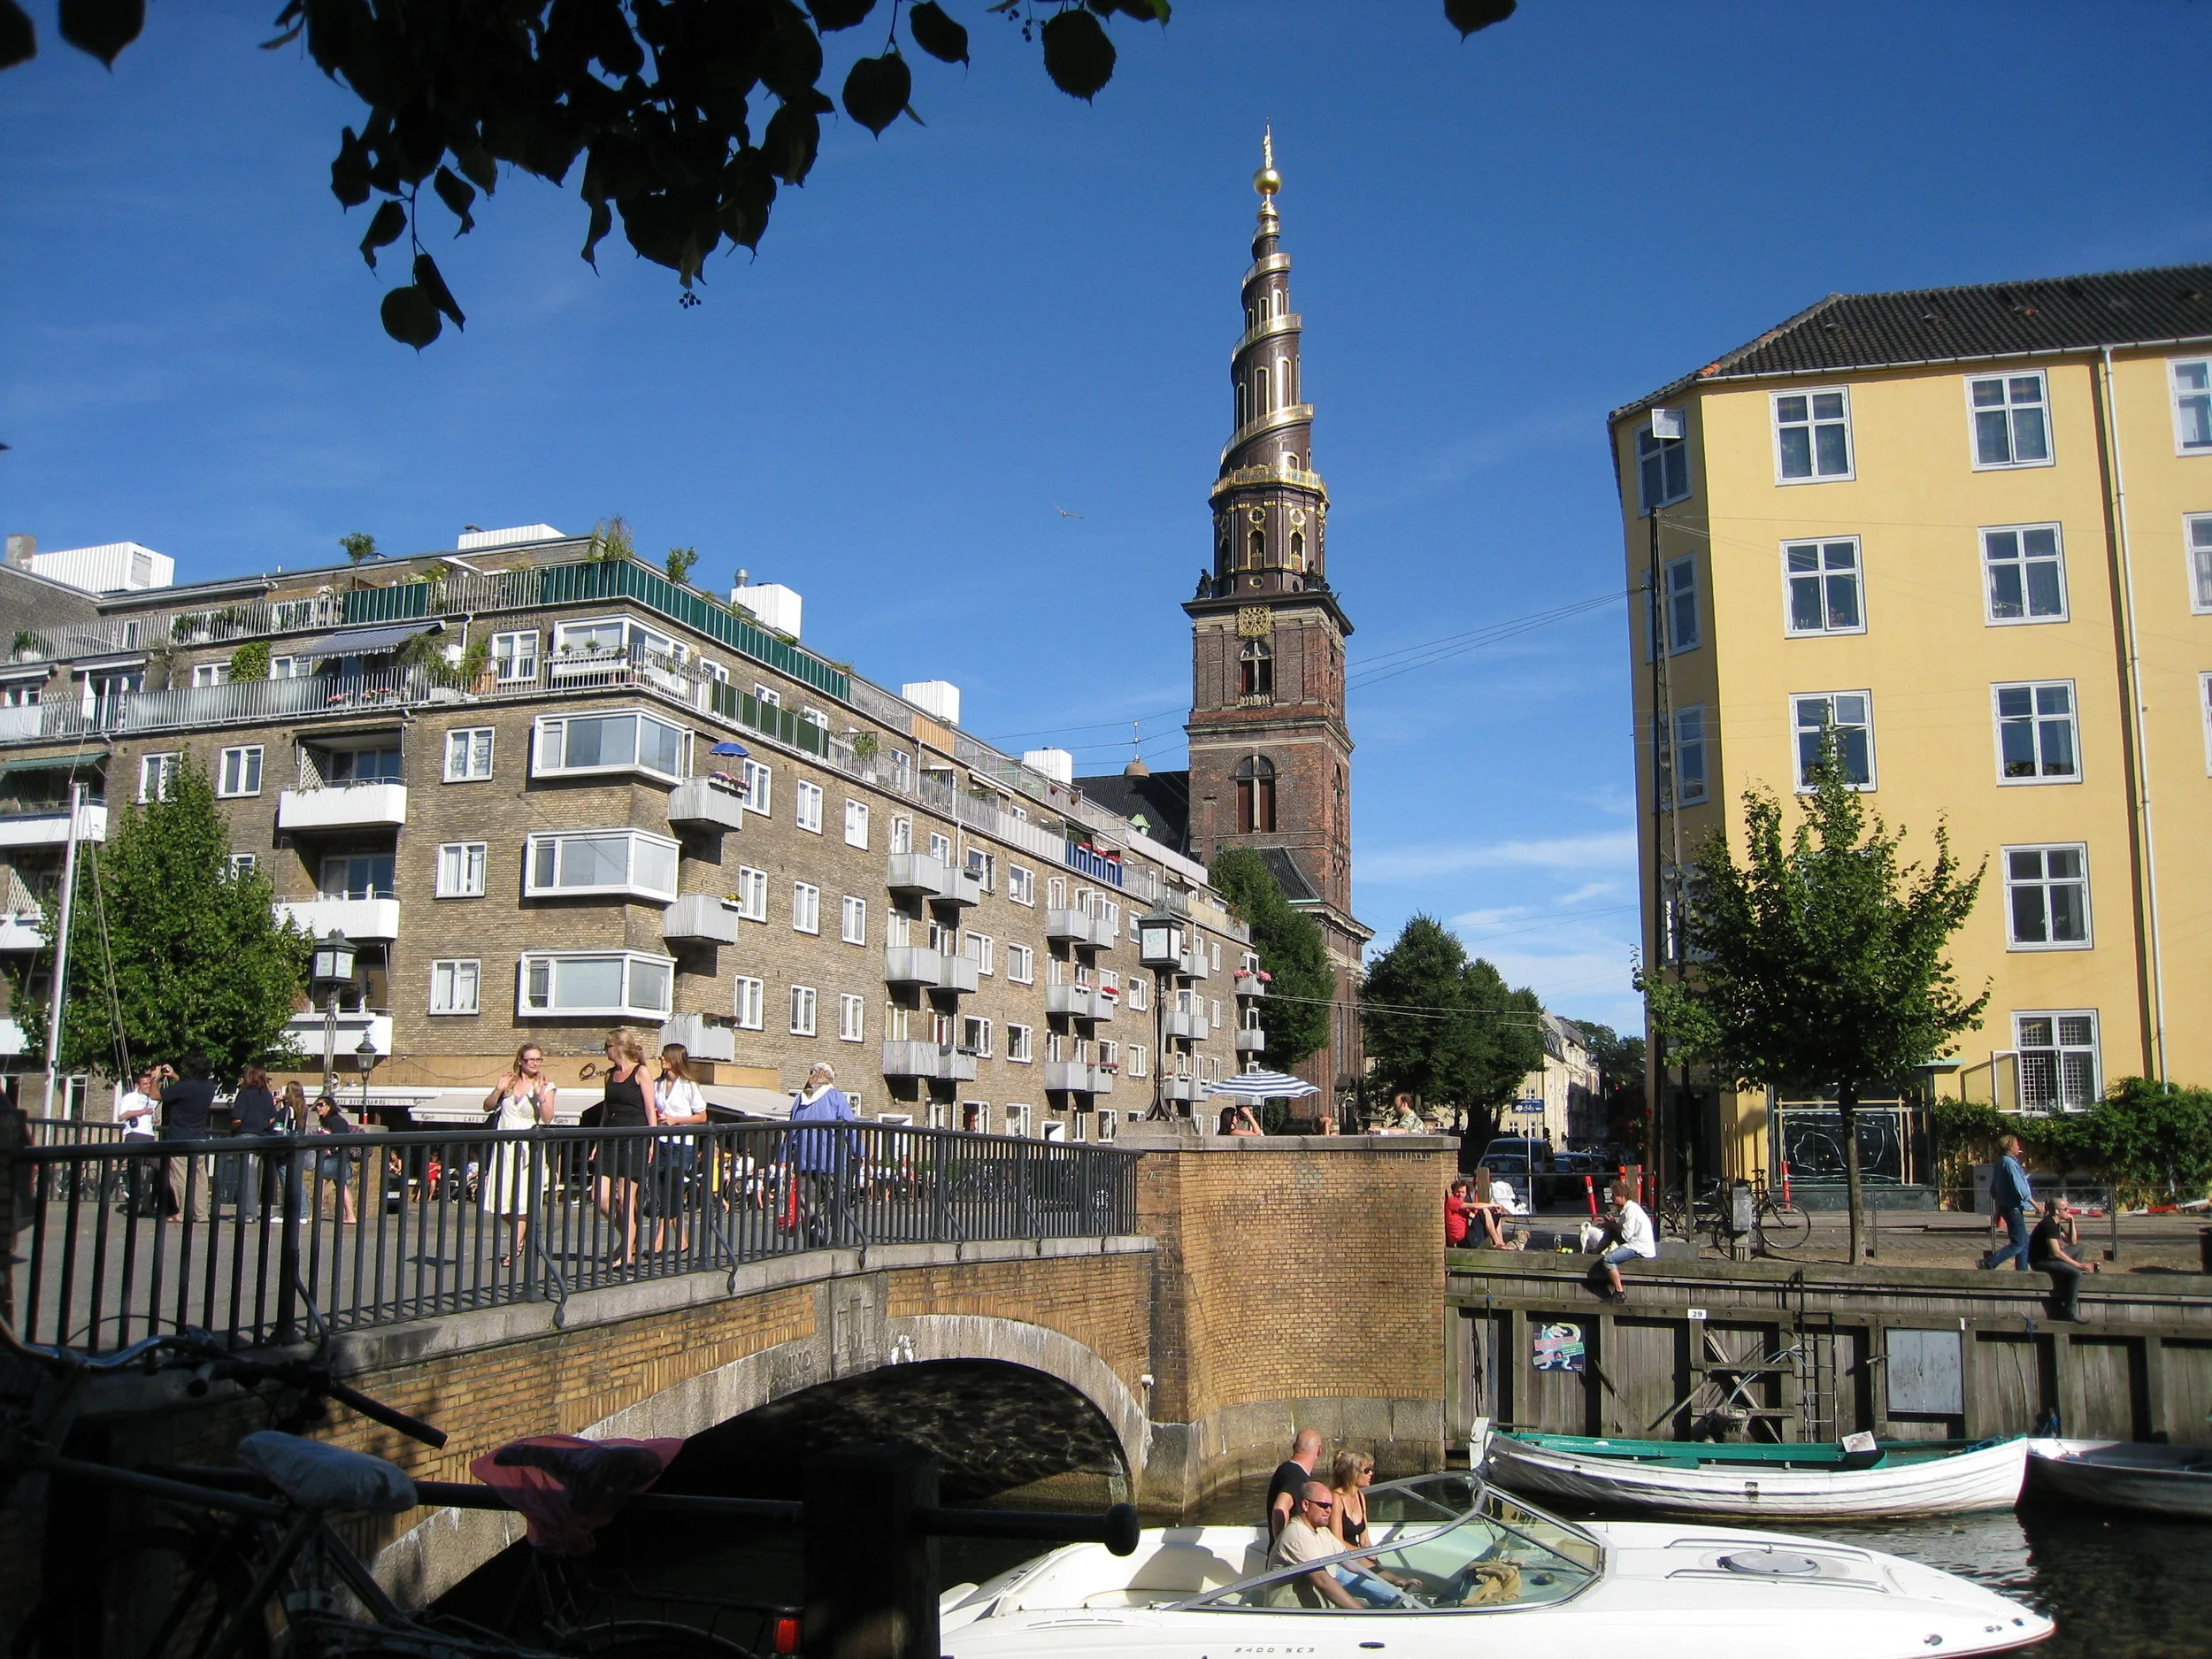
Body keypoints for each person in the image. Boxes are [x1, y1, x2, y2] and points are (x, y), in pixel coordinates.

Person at [481, 1044, 557, 1266]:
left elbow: (548, 1118)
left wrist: (541, 1098)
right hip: (504, 1147)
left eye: (539, 1059)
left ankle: (514, 1248)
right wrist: (498, 1090)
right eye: (531, 1059)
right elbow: (487, 1107)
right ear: (521, 1061)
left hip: (527, 1148)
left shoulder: (545, 1085)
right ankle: (522, 1233)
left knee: (522, 1200)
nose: (535, 1063)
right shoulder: (509, 1082)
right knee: (500, 1200)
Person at [594, 1028, 651, 1267]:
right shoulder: (609, 1075)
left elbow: (650, 1109)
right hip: (610, 1137)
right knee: (599, 1196)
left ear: (616, 1047)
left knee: (627, 1197)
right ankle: (630, 1235)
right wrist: (598, 1141)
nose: (605, 1052)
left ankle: (627, 1252)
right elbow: (606, 1110)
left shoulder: (641, 1072)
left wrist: (653, 1141)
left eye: (607, 1047)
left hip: (634, 1138)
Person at [785, 1062, 859, 1247]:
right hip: (830, 1160)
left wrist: (785, 1156)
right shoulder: (835, 1097)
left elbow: (791, 1129)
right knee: (835, 1199)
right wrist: (859, 1151)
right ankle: (834, 1238)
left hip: (804, 1160)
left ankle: (813, 1242)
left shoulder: (800, 1099)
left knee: (808, 1205)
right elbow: (850, 1126)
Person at [649, 1042, 709, 1255]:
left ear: (675, 1059)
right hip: (660, 1142)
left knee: (673, 1188)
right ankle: (682, 1240)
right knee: (660, 1187)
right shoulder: (656, 1084)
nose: (661, 1059)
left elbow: (702, 1116)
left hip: (682, 1144)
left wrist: (676, 1120)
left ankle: (659, 1240)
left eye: (665, 1056)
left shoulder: (688, 1085)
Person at [1269, 1482, 1363, 1609]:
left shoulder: (1322, 1532)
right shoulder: (1297, 1535)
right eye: (1323, 1505)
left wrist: (1391, 1577)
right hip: (1291, 1616)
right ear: (1306, 1505)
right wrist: (1362, 1612)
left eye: (1331, 1506)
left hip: (1318, 1613)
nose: (1329, 1510)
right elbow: (1322, 1581)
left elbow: (1352, 1560)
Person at [157, 1054, 219, 1222]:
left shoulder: (184, 1087)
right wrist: (175, 1076)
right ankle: (201, 1213)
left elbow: (157, 1096)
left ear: (190, 1069)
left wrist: (156, 1078)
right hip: (199, 1137)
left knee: (180, 1177)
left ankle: (184, 1212)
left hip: (180, 1138)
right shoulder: (209, 1086)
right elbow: (187, 1088)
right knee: (200, 1177)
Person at [2031, 1194, 2100, 1321]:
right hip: (2041, 1261)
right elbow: (2056, 1252)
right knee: (2077, 1274)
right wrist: (2078, 1265)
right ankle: (2070, 1312)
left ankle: (2067, 1277)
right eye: (2066, 1209)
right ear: (2057, 1211)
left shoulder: (2056, 1223)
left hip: (2051, 1257)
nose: (2068, 1211)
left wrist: (2072, 1222)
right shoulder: (2049, 1224)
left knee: (2080, 1248)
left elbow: (2072, 1242)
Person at [230, 1064, 280, 1223]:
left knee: (247, 1176)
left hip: (246, 1136)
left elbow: (237, 1118)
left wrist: (233, 1128)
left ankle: (248, 1214)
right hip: (262, 1137)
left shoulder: (244, 1094)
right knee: (255, 1175)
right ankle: (255, 1211)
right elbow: (273, 1117)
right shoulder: (266, 1094)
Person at [1980, 1133, 2035, 1272]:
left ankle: (2022, 1271)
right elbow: (2020, 1188)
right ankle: (1989, 1263)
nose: (2019, 1147)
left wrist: (1998, 1210)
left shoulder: (2000, 1162)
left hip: (2006, 1206)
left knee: (2024, 1241)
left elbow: (1995, 1189)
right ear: (2010, 1147)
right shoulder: (2010, 1163)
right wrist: (2037, 1205)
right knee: (2019, 1243)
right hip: (2013, 1207)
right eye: (2017, 1144)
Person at [114, 1066, 163, 1217]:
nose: (148, 1086)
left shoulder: (151, 1099)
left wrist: (153, 1118)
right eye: (145, 1084)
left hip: (149, 1135)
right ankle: (135, 1205)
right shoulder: (130, 1097)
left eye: (149, 1084)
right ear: (138, 1085)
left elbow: (154, 1108)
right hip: (135, 1135)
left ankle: (148, 1204)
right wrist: (142, 1112)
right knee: (135, 1172)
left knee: (158, 1168)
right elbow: (122, 1115)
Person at [1594, 1190, 1656, 1303]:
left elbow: (1626, 1235)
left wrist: (1613, 1225)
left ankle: (1619, 1292)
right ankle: (1594, 1253)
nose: (1613, 1199)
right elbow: (1620, 1230)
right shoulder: (1627, 1209)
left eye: (1615, 1196)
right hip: (1634, 1242)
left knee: (1608, 1260)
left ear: (1623, 1197)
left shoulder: (1631, 1211)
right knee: (1612, 1232)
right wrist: (1612, 1224)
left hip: (1639, 1246)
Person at [1265, 1426, 1325, 1539]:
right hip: (1289, 1553)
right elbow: (1280, 1508)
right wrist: (1282, 1543)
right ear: (1319, 1451)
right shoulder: (1295, 1476)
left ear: (1294, 1447)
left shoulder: (1286, 1469)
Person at [308, 1094, 358, 1224]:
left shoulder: (335, 1120)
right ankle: (350, 1216)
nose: (318, 1108)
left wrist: (333, 1148)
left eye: (321, 1105)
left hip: (335, 1158)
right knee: (341, 1186)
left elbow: (341, 1138)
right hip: (337, 1158)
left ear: (329, 1107)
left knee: (320, 1185)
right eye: (317, 1105)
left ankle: (313, 1215)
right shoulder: (328, 1121)